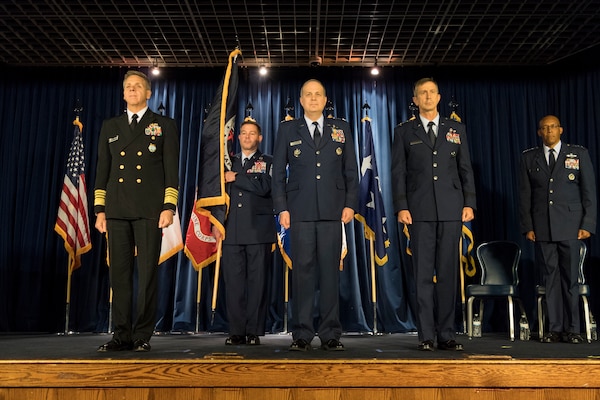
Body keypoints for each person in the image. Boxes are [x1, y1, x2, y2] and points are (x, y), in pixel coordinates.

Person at [94, 70, 179, 352]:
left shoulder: (163, 125)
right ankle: (121, 335)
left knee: (146, 277)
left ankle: (142, 335)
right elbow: (102, 170)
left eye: (138, 87)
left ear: (148, 93)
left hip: (149, 210)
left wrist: (169, 206)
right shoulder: (111, 126)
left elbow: (171, 171)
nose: (132, 90)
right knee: (119, 277)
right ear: (123, 93)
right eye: (128, 87)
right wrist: (99, 210)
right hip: (116, 209)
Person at [272, 79, 359, 351]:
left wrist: (350, 204)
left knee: (330, 275)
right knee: (303, 275)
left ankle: (331, 333)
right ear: (301, 100)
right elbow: (277, 174)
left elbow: (350, 171)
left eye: (317, 94)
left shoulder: (341, 128)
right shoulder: (288, 129)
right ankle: (302, 333)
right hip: (300, 211)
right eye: (308, 95)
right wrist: (281, 208)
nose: (313, 99)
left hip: (333, 211)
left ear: (325, 100)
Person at [391, 77, 476, 351]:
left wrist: (469, 203)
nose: (427, 97)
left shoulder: (456, 129)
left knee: (449, 274)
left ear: (439, 97)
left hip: (451, 209)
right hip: (419, 211)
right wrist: (402, 205)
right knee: (424, 275)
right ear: (415, 100)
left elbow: (465, 169)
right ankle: (426, 335)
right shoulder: (404, 131)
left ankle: (447, 334)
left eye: (431, 92)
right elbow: (398, 172)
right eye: (422, 93)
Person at [519, 115, 597, 344]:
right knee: (550, 279)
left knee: (570, 279)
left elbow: (588, 192)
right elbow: (525, 196)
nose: (549, 131)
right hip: (543, 227)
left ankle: (573, 329)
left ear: (560, 130)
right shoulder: (528, 158)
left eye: (553, 127)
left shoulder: (578, 154)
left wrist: (587, 224)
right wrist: (528, 226)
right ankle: (554, 329)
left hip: (572, 227)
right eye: (544, 128)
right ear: (539, 132)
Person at [212, 120, 276, 346]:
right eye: (244, 133)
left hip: (258, 230)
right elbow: (217, 195)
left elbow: (265, 186)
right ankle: (236, 330)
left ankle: (254, 331)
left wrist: (237, 178)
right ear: (237, 137)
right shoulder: (227, 162)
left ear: (260, 138)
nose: (247, 137)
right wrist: (216, 222)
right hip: (231, 230)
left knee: (258, 283)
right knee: (234, 283)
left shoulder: (268, 161)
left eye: (252, 134)